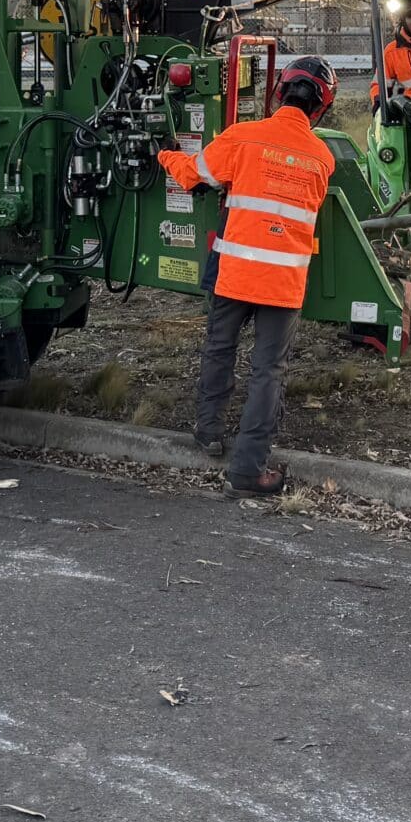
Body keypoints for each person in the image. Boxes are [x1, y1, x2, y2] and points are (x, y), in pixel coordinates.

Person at [156, 56, 340, 496]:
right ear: (321, 108)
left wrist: (163, 151)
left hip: (235, 271)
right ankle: (248, 469)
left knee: (220, 348)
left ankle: (209, 429)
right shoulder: (323, 158)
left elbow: (191, 175)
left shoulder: (243, 138)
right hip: (284, 283)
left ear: (279, 93)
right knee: (268, 371)